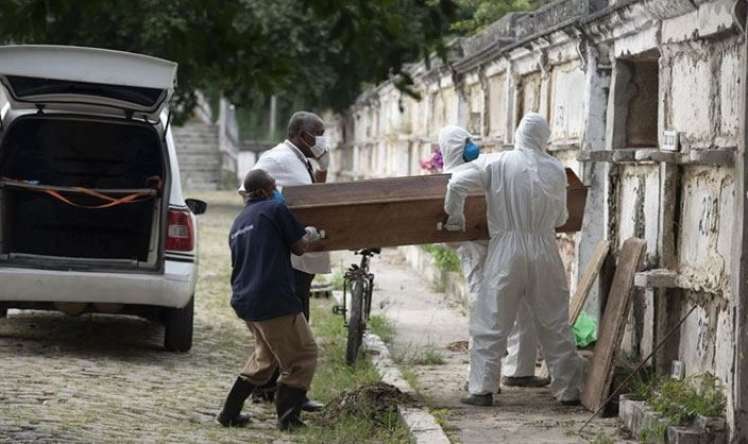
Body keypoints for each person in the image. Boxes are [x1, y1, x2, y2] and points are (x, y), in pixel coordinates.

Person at [444, 113, 583, 407]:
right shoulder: (557, 169)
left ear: (519, 134)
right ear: (544, 137)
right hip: (545, 249)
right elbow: (562, 217)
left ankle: (482, 389)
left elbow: (456, 184)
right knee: (554, 320)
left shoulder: (496, 162)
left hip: (506, 249)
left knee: (492, 319)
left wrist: (456, 218)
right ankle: (569, 390)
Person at [438, 125, 549, 391]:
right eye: (464, 142)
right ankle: (480, 379)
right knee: (484, 312)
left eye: (470, 140)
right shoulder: (450, 179)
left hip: (506, 246)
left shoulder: (488, 167)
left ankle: (519, 370)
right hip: (478, 252)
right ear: (453, 148)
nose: (471, 146)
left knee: (524, 305)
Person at [240, 111, 331, 411]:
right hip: (286, 256)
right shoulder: (276, 157)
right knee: (288, 327)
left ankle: (280, 389)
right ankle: (285, 394)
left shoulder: (302, 160)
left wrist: (322, 171)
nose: (322, 140)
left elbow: (313, 198)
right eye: (318, 134)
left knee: (297, 321)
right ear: (301, 135)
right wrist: (277, 217)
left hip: (301, 253)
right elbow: (248, 189)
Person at [217, 169, 321, 431]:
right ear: (264, 191)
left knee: (264, 360)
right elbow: (299, 246)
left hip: (246, 299)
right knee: (302, 356)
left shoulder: (239, 221)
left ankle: (229, 413)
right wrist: (312, 233)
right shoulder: (274, 210)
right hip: (272, 299)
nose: (277, 192)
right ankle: (288, 420)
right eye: (274, 187)